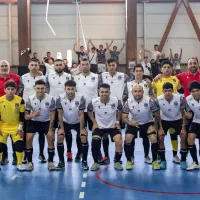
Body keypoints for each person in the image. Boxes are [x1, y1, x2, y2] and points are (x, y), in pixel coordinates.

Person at [122, 84, 160, 170]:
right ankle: (129, 160)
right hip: (134, 123)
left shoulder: (149, 100)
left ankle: (154, 161)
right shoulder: (128, 102)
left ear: (143, 92)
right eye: (135, 91)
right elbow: (123, 117)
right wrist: (130, 122)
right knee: (128, 138)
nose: (137, 93)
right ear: (132, 93)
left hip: (147, 122)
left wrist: (155, 126)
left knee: (153, 138)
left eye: (139, 91)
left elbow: (157, 114)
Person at [98, 58, 129, 164]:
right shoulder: (102, 76)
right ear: (107, 66)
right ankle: (106, 156)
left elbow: (130, 86)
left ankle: (118, 159)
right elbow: (98, 88)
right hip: (105, 108)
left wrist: (124, 98)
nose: (111, 67)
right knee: (105, 134)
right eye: (109, 65)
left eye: (113, 65)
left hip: (118, 109)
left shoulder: (123, 76)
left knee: (117, 133)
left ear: (117, 65)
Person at [151, 60, 182, 163]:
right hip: (159, 113)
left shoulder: (175, 80)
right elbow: (149, 90)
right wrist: (153, 98)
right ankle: (160, 156)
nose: (167, 69)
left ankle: (175, 155)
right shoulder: (156, 80)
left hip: (173, 113)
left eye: (169, 67)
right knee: (159, 136)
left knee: (174, 135)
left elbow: (181, 91)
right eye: (164, 67)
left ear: (172, 69)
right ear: (161, 69)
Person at [88, 83, 123, 171]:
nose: (104, 94)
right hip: (99, 127)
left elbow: (120, 109)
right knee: (95, 143)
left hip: (112, 126)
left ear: (109, 93)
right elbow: (89, 111)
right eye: (102, 92)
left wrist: (118, 121)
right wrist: (94, 122)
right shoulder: (93, 102)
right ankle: (96, 162)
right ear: (99, 92)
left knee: (119, 141)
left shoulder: (116, 101)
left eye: (106, 92)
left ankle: (117, 161)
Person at [56, 80, 89, 170]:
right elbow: (60, 113)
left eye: (72, 89)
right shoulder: (59, 98)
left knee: (83, 136)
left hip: (78, 121)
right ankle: (61, 162)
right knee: (60, 136)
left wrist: (82, 129)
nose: (70, 91)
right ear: (65, 89)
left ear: (75, 89)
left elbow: (81, 114)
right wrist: (61, 128)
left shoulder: (81, 98)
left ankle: (84, 162)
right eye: (68, 89)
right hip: (65, 121)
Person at [18, 59, 47, 163]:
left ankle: (41, 154)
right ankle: (26, 154)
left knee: (42, 134)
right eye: (32, 65)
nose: (34, 67)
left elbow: (46, 90)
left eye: (36, 65)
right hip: (27, 109)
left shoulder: (43, 77)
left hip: (41, 108)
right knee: (27, 134)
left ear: (38, 67)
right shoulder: (23, 77)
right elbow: (19, 91)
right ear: (29, 67)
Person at [123, 64, 153, 164]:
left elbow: (152, 96)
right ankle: (131, 157)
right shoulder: (128, 84)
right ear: (134, 72)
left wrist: (151, 85)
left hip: (145, 115)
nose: (139, 73)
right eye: (137, 71)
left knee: (146, 137)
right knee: (131, 137)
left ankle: (146, 156)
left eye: (140, 71)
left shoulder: (147, 83)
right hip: (133, 115)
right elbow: (125, 97)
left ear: (143, 72)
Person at [25, 80, 56, 171]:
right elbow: (26, 116)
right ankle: (30, 162)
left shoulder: (50, 99)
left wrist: (51, 129)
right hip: (34, 122)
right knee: (28, 139)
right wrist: (33, 115)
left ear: (45, 88)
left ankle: (50, 162)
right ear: (35, 88)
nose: (40, 90)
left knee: (50, 138)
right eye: (38, 88)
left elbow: (52, 115)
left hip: (46, 122)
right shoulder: (30, 99)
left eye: (42, 88)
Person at [156, 82, 187, 169]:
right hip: (164, 120)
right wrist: (160, 129)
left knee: (183, 137)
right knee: (161, 137)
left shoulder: (179, 98)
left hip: (178, 120)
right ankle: (163, 160)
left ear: (173, 91)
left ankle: (183, 160)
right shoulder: (158, 99)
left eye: (169, 91)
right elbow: (158, 115)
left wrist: (184, 128)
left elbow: (183, 114)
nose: (167, 93)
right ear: (162, 91)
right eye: (165, 91)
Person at [46, 57, 73, 161]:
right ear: (54, 66)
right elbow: (46, 90)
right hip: (53, 108)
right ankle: (52, 156)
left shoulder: (69, 76)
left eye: (60, 65)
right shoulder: (48, 76)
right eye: (56, 65)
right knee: (51, 131)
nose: (58, 67)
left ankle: (69, 151)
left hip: (66, 107)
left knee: (67, 131)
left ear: (63, 65)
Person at [73, 58, 99, 162]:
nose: (85, 66)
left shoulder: (97, 77)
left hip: (94, 110)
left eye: (86, 64)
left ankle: (97, 153)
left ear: (90, 65)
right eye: (83, 64)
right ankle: (79, 152)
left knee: (96, 133)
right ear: (80, 66)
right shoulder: (75, 78)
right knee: (81, 133)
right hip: (80, 111)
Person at [0, 81, 25, 171]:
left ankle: (19, 163)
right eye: (8, 89)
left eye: (12, 89)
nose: (10, 91)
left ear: (15, 90)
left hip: (16, 127)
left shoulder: (20, 100)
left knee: (19, 145)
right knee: (0, 146)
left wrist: (20, 129)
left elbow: (22, 117)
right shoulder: (0, 101)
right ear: (5, 90)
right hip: (3, 126)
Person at [0, 60, 20, 165]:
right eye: (2, 66)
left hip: (13, 109)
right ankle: (4, 156)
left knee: (14, 134)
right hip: (1, 109)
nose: (4, 67)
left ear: (9, 67)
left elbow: (22, 88)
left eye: (6, 66)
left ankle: (16, 157)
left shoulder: (16, 77)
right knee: (2, 136)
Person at [185, 81, 200, 170]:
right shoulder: (188, 99)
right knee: (190, 138)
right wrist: (188, 115)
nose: (195, 93)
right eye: (193, 91)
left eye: (197, 90)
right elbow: (189, 111)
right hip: (196, 120)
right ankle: (195, 162)